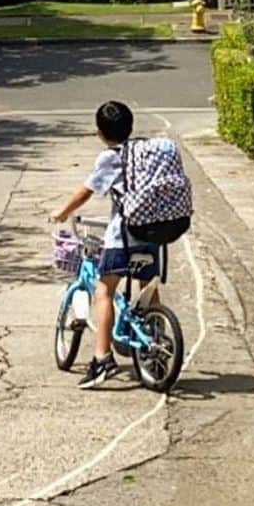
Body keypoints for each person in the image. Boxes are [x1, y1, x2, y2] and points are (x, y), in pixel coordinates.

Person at [51, 100, 160, 389]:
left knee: (104, 291)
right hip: (152, 233)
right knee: (148, 287)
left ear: (100, 132)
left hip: (122, 236)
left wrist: (62, 213)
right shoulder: (145, 152)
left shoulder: (110, 157)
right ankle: (157, 342)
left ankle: (102, 358)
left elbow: (86, 192)